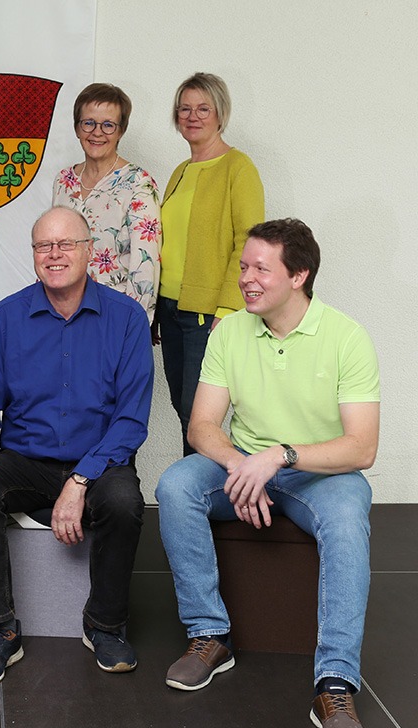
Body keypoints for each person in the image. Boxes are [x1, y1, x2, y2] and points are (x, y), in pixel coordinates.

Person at [156, 219, 379, 728]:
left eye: (261, 269)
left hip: (318, 474)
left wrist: (278, 458)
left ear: (299, 275)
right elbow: (202, 424)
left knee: (350, 515)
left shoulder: (346, 336)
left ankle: (335, 685)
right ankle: (210, 634)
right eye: (243, 267)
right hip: (246, 462)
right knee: (175, 484)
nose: (246, 280)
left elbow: (362, 448)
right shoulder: (229, 331)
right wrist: (242, 467)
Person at [0, 206, 153, 686]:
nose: (55, 254)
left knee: (124, 501)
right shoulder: (6, 318)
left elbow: (130, 419)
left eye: (66, 244)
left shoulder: (126, 320)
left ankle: (104, 624)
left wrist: (80, 480)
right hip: (28, 460)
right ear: (35, 254)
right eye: (44, 245)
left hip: (101, 461)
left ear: (90, 252)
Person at [154, 73, 265, 455]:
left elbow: (249, 243)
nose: (192, 116)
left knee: (198, 416)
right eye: (184, 108)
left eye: (203, 108)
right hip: (169, 310)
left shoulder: (238, 167)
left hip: (208, 314)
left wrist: (227, 308)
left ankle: (207, 502)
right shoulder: (179, 172)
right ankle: (206, 497)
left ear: (221, 114)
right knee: (183, 413)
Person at [52, 82, 160, 324]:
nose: (97, 132)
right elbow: (52, 248)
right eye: (88, 123)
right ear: (77, 128)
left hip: (112, 316)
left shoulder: (139, 184)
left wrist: (134, 327)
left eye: (108, 125)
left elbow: (145, 266)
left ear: (121, 131)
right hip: (61, 313)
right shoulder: (63, 180)